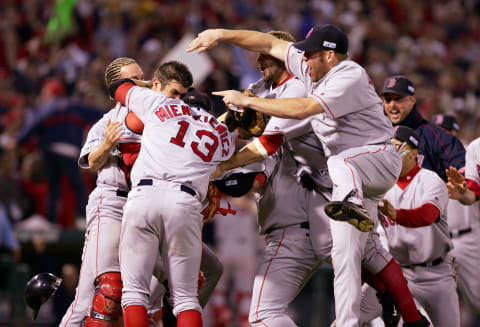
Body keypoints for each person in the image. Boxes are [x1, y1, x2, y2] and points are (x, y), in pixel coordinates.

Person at [188, 24, 402, 326]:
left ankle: (398, 301)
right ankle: (398, 303)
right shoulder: (280, 84)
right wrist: (221, 34)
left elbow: (268, 141)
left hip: (315, 210)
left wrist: (219, 169)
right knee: (359, 263)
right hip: (322, 204)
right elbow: (261, 52)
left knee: (344, 267)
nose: (260, 61)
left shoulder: (308, 85)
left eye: (267, 57)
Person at [109, 68, 235, 327]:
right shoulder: (222, 134)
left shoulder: (160, 102)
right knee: (187, 299)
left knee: (134, 294)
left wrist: (147, 83)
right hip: (184, 203)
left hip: (144, 194)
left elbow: (117, 87)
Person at [374, 126, 459, 327]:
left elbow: (427, 215)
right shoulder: (380, 185)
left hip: (436, 275)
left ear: (413, 152)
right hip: (400, 275)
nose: (389, 153)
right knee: (352, 311)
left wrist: (397, 214)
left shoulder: (431, 180)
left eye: (395, 147)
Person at [381, 76, 465, 182]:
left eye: (398, 99)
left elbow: (462, 172)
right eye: (388, 100)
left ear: (412, 100)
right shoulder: (375, 135)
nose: (392, 105)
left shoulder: (436, 137)